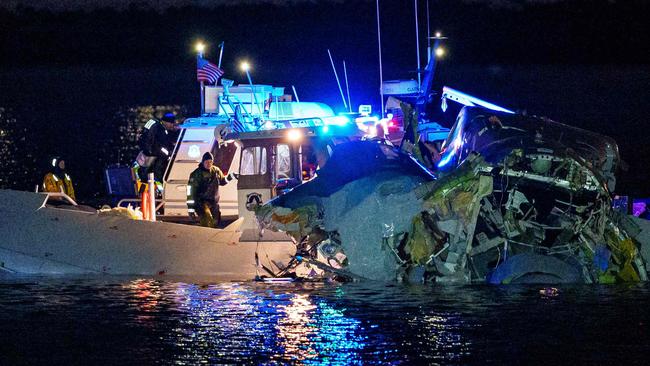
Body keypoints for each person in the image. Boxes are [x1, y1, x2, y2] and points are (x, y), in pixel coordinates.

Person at [187, 152, 238, 228]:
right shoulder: (196, 174)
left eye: (210, 162)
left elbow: (223, 181)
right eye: (207, 162)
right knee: (208, 222)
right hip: (201, 203)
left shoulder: (216, 171)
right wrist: (191, 210)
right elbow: (190, 193)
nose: (209, 164)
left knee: (216, 222)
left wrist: (232, 176)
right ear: (203, 162)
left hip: (213, 203)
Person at [136, 112, 179, 183]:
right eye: (171, 123)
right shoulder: (160, 130)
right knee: (156, 172)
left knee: (147, 172)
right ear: (165, 122)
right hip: (155, 155)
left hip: (150, 154)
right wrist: (168, 154)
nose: (172, 125)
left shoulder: (158, 127)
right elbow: (162, 146)